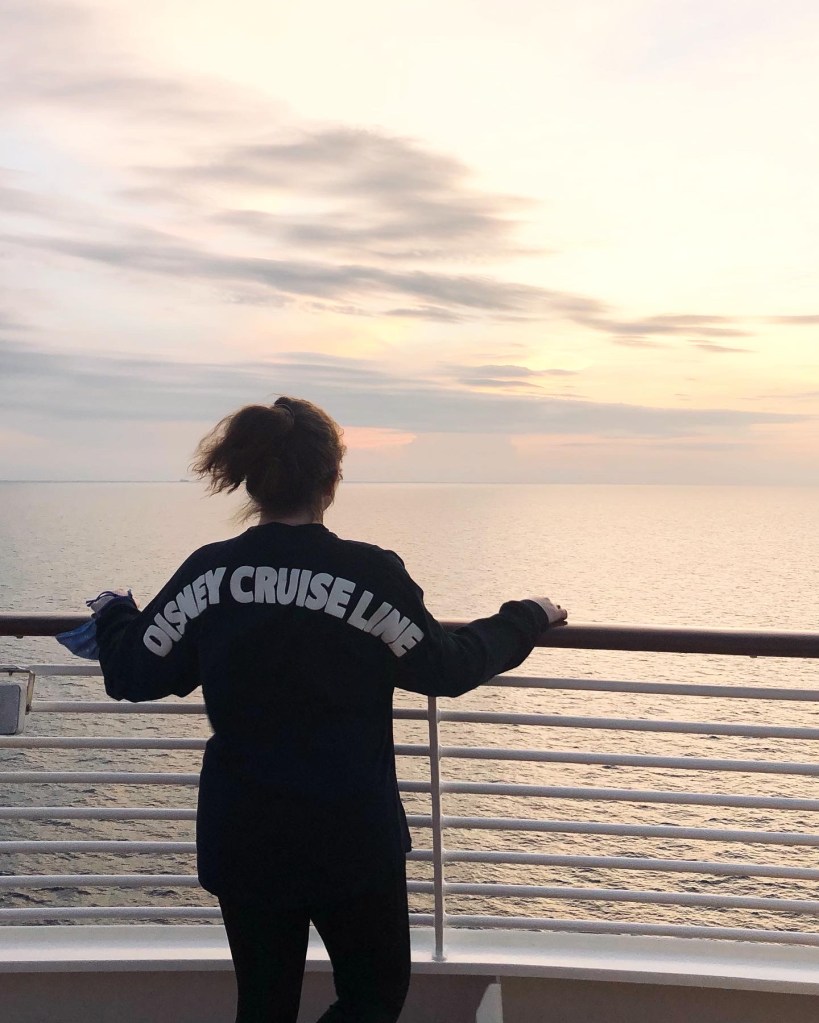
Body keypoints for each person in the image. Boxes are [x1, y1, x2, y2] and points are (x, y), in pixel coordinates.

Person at [86, 397, 567, 1023]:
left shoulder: (211, 574)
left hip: (247, 837)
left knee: (264, 1006)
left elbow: (135, 671)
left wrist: (116, 612)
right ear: (331, 479)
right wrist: (527, 616)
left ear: (252, 479)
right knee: (374, 996)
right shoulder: (368, 574)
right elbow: (445, 667)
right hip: (350, 838)